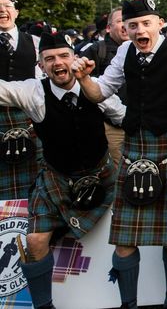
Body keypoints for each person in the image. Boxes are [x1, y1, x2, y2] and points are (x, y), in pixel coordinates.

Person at [71, 0, 167, 309]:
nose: (140, 30)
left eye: (146, 23)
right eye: (133, 25)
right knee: (124, 238)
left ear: (159, 23)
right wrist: (83, 78)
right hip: (135, 149)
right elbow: (100, 92)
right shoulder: (123, 52)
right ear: (125, 28)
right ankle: (128, 304)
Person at [0, 32, 124, 309]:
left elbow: (123, 116)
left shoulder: (94, 88)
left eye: (63, 56)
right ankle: (44, 305)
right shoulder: (32, 91)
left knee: (128, 229)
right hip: (57, 179)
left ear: (75, 59)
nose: (57, 63)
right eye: (49, 59)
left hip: (102, 175)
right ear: (41, 65)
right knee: (34, 240)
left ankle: (129, 298)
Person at [0, 0, 42, 199]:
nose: (2, 10)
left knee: (35, 182)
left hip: (28, 117)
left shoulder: (35, 42)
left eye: (7, 6)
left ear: (16, 11)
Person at [80, 6, 129, 165]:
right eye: (121, 20)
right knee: (117, 176)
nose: (126, 25)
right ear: (108, 28)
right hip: (111, 127)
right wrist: (119, 114)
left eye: (129, 21)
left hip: (144, 127)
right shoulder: (95, 50)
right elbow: (86, 86)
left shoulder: (146, 50)